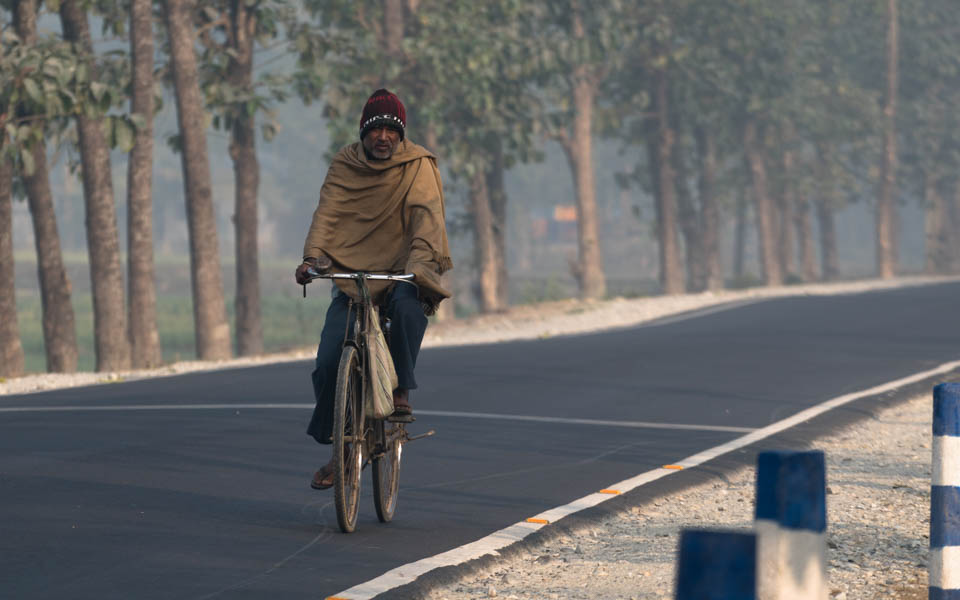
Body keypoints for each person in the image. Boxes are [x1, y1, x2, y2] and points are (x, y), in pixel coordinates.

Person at [294, 89, 453, 490]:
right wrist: (312, 258)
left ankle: (400, 389)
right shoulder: (345, 165)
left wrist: (418, 267)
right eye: (375, 129)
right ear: (363, 132)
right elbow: (327, 213)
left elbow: (425, 221)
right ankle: (343, 448)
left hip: (402, 268)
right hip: (352, 275)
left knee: (408, 310)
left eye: (390, 130)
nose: (383, 137)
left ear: (400, 136)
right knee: (330, 358)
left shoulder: (418, 165)